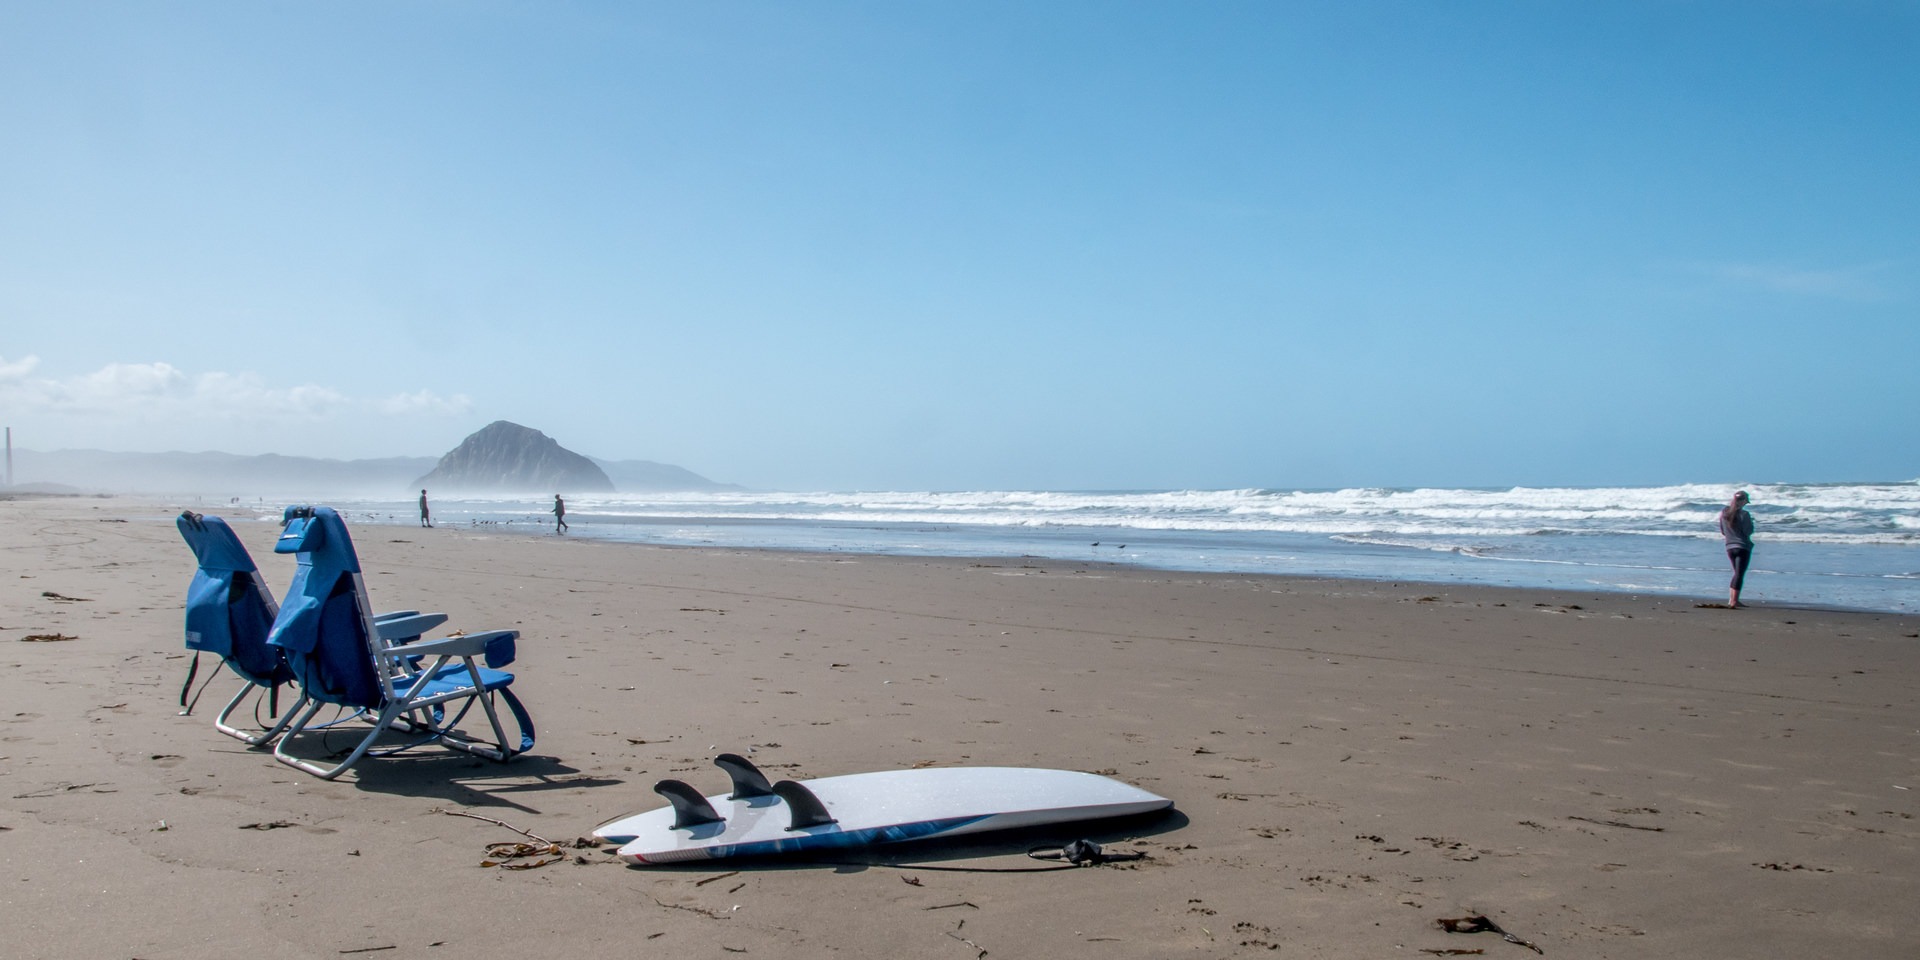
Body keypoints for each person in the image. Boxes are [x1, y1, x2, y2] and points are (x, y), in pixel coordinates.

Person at [1719, 490, 1755, 608]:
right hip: (1742, 547)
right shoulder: (1744, 515)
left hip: (1730, 547)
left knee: (1736, 573)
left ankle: (1732, 599)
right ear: (1743, 501)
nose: (1745, 504)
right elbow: (1748, 531)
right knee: (1739, 574)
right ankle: (1734, 600)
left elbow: (1723, 531)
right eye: (1745, 502)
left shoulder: (1725, 513)